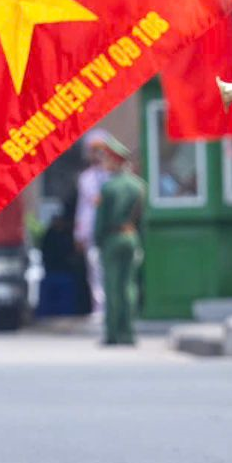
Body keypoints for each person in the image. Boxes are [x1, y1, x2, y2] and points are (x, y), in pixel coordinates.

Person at [92, 136, 146, 347]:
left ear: (115, 161)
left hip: (112, 240)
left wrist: (97, 243)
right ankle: (129, 333)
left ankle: (113, 334)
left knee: (112, 286)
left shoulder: (108, 188)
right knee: (129, 287)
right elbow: (142, 220)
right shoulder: (139, 186)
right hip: (131, 238)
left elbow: (100, 222)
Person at [72, 131, 115, 327]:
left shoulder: (113, 175)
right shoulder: (86, 178)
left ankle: (115, 307)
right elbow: (83, 207)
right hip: (91, 230)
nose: (97, 154)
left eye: (100, 150)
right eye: (93, 151)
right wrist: (78, 233)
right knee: (95, 270)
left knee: (112, 269)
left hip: (111, 229)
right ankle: (100, 308)